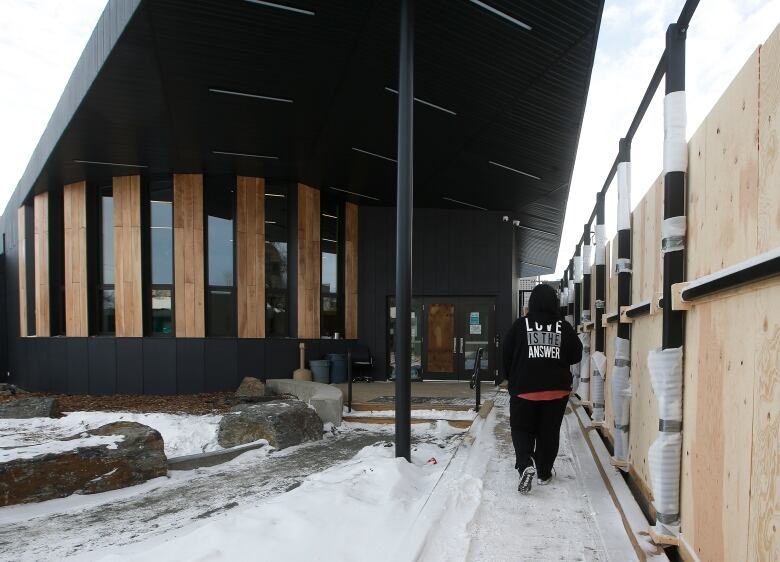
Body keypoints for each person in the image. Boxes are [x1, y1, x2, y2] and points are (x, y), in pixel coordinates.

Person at [502, 283, 582, 494]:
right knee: (548, 432)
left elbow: (506, 352)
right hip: (556, 390)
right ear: (554, 303)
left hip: (524, 389)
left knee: (522, 428)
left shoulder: (520, 325)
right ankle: (544, 473)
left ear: (532, 303)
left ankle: (526, 463)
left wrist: (511, 377)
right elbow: (576, 354)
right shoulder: (562, 326)